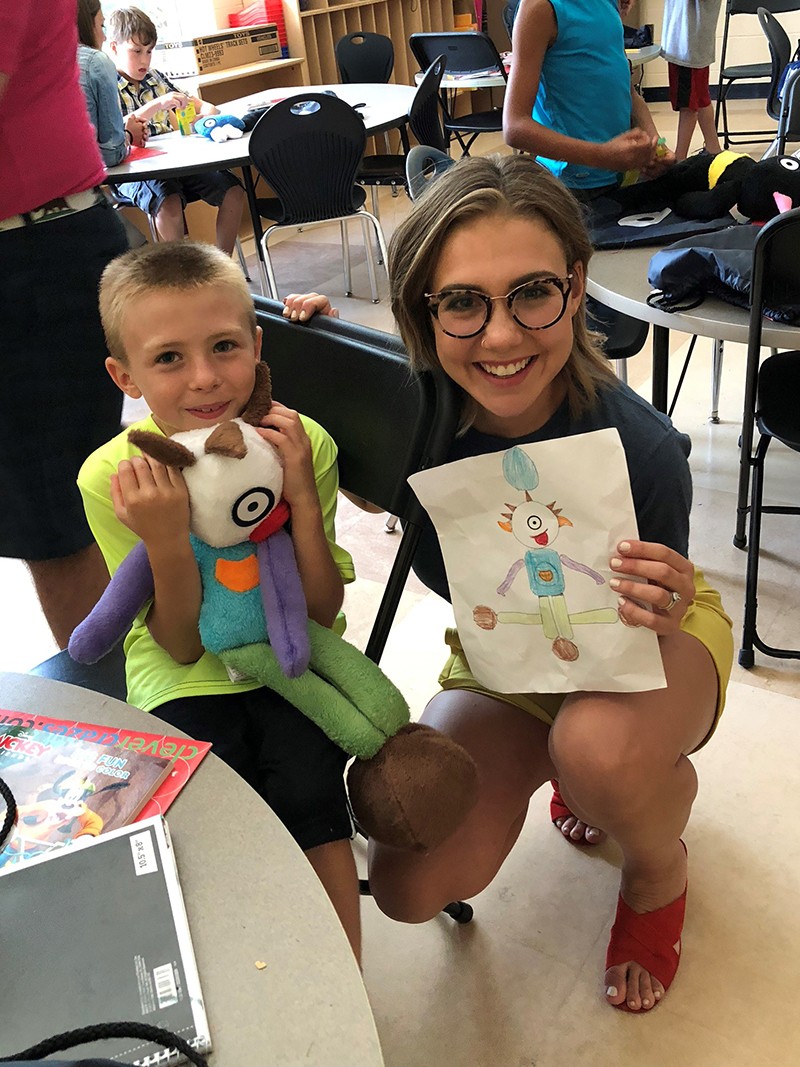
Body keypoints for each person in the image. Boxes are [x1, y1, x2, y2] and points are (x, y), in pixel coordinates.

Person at [363, 154, 733, 1012]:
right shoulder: (409, 415)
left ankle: (655, 866)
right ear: (423, 310)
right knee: (410, 885)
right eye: (462, 301)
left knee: (600, 750)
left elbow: (650, 620)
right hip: (511, 650)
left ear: (575, 285)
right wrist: (308, 343)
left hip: (643, 637)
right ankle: (587, 769)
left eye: (531, 291)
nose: (500, 336)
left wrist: (667, 597)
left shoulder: (642, 447)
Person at [78, 241, 361, 959]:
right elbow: (178, 644)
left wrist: (297, 490)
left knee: (309, 795)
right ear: (126, 375)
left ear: (257, 344)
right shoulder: (112, 476)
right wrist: (168, 542)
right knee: (209, 810)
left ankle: (342, 988)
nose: (206, 378)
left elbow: (321, 611)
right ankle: (241, 967)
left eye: (225, 346)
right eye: (168, 358)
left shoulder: (303, 444)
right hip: (182, 675)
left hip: (292, 656)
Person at [0, 0, 129, 649]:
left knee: (54, 524)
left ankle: (129, 739)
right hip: (35, 243)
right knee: (47, 517)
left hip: (32, 254)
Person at [106, 6, 245, 254]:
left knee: (233, 191)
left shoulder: (156, 78)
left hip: (175, 164)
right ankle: (181, 280)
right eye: (136, 51)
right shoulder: (106, 85)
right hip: (135, 171)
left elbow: (207, 107)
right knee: (169, 202)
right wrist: (158, 104)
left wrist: (206, 115)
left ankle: (222, 267)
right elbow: (116, 133)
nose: (144, 60)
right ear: (114, 47)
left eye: (149, 52)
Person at [503, 0, 675, 198]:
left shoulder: (609, 4)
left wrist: (655, 146)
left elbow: (629, 93)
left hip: (621, 177)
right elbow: (515, 128)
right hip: (573, 189)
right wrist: (603, 156)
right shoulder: (540, 7)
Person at [77, 0, 147, 168]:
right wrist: (129, 134)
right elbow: (111, 153)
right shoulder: (95, 62)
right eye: (101, 26)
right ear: (87, 24)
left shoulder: (39, 64)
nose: (104, 37)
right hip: (80, 179)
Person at [662, 0, 724, 161]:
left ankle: (679, 160)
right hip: (687, 42)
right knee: (701, 99)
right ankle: (713, 150)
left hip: (688, 44)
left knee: (688, 105)